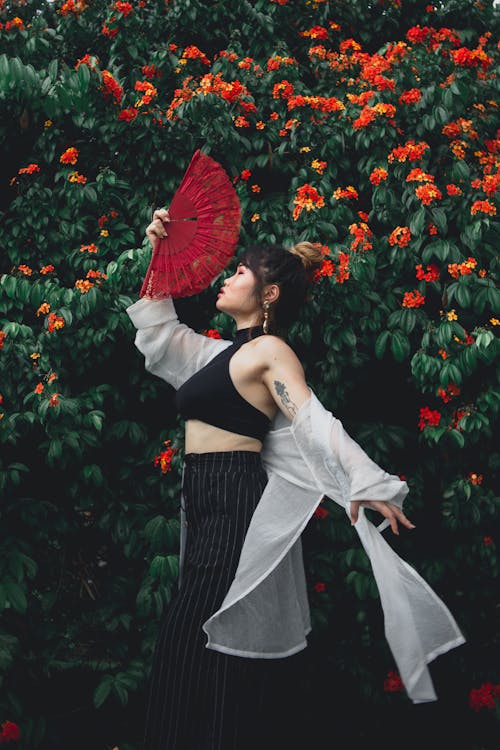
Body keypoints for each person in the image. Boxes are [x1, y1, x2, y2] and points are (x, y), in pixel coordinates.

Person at [126, 208, 465, 749]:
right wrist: (159, 254)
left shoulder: (271, 352)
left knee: (204, 644)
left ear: (270, 294)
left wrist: (367, 481)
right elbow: (160, 333)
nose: (226, 277)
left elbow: (312, 419)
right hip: (202, 500)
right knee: (193, 642)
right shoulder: (213, 355)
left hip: (235, 498)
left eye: (239, 272)